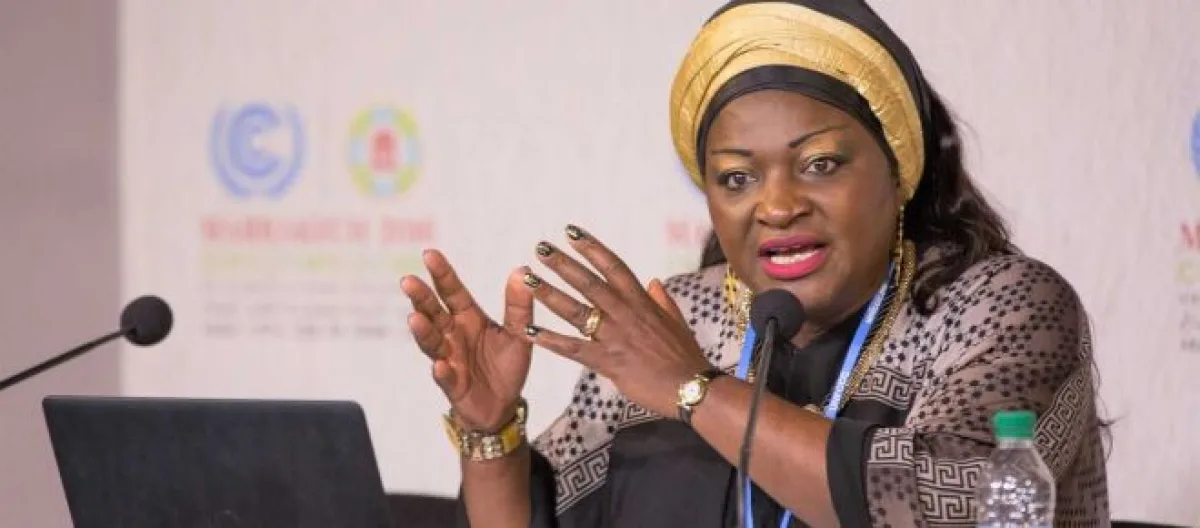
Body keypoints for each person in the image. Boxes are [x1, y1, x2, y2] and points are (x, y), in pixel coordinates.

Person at [399, 0, 1110, 526]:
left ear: (897, 170)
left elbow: (961, 504)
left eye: (820, 164)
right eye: (737, 177)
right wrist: (491, 431)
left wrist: (695, 390)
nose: (777, 205)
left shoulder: (1001, 306)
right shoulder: (686, 315)